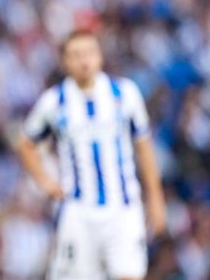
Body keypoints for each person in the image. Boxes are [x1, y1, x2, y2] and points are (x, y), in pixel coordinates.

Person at [15, 30, 166, 280]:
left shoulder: (124, 94)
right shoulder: (54, 101)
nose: (84, 60)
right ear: (65, 61)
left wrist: (155, 197)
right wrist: (46, 183)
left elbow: (144, 146)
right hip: (78, 211)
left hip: (123, 206)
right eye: (76, 55)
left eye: (89, 53)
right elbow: (25, 143)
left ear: (99, 57)